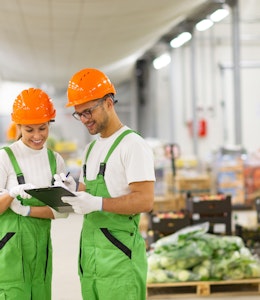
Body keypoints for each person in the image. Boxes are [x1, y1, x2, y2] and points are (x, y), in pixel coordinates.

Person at [61, 68, 155, 300]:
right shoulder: (91, 149)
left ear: (108, 102)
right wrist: (66, 191)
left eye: (88, 111)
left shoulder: (132, 145)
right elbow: (83, 198)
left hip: (119, 261)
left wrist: (98, 203)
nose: (84, 119)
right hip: (91, 260)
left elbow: (145, 199)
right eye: (79, 114)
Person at [0, 88, 76, 300]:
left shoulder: (55, 160)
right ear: (18, 127)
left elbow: (62, 212)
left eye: (42, 128)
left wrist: (27, 210)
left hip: (41, 248)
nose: (37, 136)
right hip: (10, 248)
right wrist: (10, 195)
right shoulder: (5, 158)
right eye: (29, 129)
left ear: (49, 123)